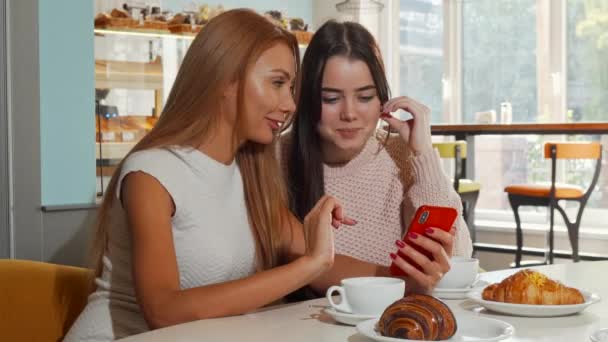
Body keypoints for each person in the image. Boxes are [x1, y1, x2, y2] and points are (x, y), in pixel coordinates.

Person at [65, 10, 354, 341]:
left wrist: (409, 280)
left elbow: (325, 262)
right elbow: (164, 311)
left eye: (291, 87)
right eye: (277, 83)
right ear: (225, 79)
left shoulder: (251, 176)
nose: (289, 104)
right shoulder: (150, 174)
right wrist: (309, 266)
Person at [281, 20, 473, 295]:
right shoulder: (275, 159)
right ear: (308, 98)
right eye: (332, 99)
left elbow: (456, 260)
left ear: (383, 100)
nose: (349, 113)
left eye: (365, 97)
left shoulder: (401, 156)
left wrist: (423, 154)